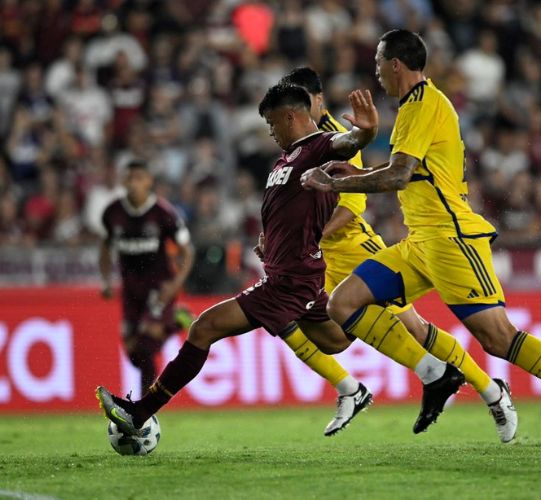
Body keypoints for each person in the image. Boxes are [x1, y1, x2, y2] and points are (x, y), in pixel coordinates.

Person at [301, 29, 541, 459]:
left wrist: (336, 181)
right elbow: (409, 170)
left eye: (380, 62)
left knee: (497, 338)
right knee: (342, 303)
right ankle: (435, 374)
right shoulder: (414, 107)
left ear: (395, 64)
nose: (376, 70)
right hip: (420, 241)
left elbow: (400, 175)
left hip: (451, 238)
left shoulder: (423, 103)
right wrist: (354, 173)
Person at [97, 83, 464, 437]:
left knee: (203, 328)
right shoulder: (282, 162)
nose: (270, 132)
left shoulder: (318, 145)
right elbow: (288, 215)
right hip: (297, 275)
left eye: (272, 124)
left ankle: (138, 413)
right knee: (335, 339)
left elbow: (348, 141)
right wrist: (268, 242)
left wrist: (366, 133)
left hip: (289, 282)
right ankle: (432, 370)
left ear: (290, 117)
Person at [279, 66, 517, 442]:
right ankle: (348, 389)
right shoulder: (294, 146)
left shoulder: (338, 140)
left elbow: (350, 209)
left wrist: (305, 238)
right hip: (317, 259)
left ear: (317, 100)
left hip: (355, 248)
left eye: (301, 104)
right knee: (280, 311)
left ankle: (491, 392)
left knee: (416, 329)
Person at [100, 159, 194, 396]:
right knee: (133, 353)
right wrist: (106, 281)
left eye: (139, 178)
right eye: (129, 178)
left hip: (159, 287)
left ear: (149, 182)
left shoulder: (163, 213)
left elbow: (187, 251)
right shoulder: (112, 213)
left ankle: (144, 408)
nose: (133, 184)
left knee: (145, 348)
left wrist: (175, 284)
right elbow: (104, 247)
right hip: (130, 290)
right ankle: (175, 322)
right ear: (123, 181)